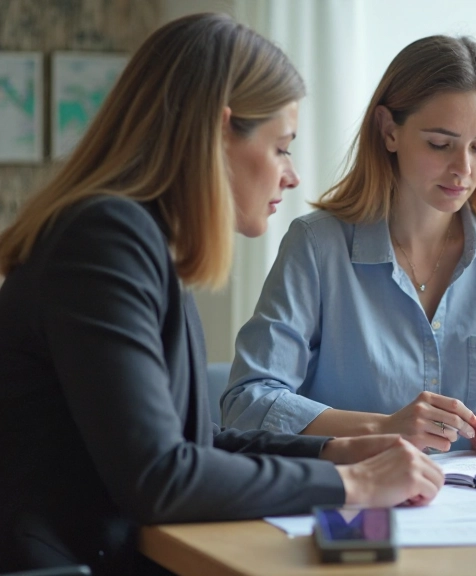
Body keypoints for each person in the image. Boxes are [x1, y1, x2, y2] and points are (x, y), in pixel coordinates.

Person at [0, 14, 443, 574]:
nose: (292, 176)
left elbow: (188, 444)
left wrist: (332, 450)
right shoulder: (105, 241)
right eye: (281, 147)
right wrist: (351, 483)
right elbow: (160, 477)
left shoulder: (141, 240)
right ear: (218, 131)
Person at [221, 35, 476, 455]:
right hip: (356, 505)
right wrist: (386, 428)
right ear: (389, 130)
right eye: (440, 144)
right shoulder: (317, 246)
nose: (463, 169)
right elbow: (247, 403)